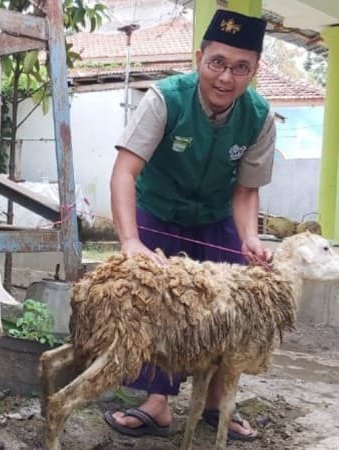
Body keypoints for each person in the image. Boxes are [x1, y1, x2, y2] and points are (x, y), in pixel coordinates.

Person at [102, 9, 275, 442]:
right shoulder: (166, 99)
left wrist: (250, 238)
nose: (225, 77)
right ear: (199, 57)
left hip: (218, 218)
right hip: (159, 215)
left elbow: (246, 190)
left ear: (254, 71)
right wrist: (130, 241)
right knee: (159, 310)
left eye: (241, 68)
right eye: (216, 62)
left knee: (226, 312)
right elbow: (125, 172)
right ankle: (156, 404)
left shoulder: (259, 116)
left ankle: (217, 405)